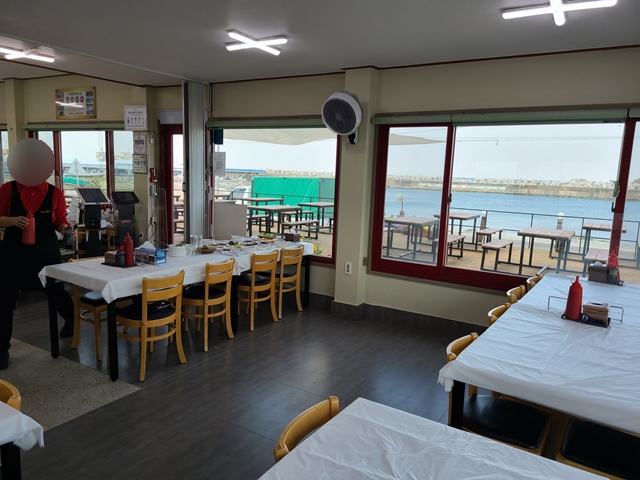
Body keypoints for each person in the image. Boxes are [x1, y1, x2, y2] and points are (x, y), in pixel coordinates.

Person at [0, 140, 75, 370]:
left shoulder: (55, 193)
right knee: (4, 298)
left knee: (56, 291)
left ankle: (71, 320)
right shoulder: (7, 190)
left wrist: (65, 229)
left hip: (45, 251)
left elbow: (60, 220)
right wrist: (12, 221)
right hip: (13, 253)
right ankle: (2, 348)